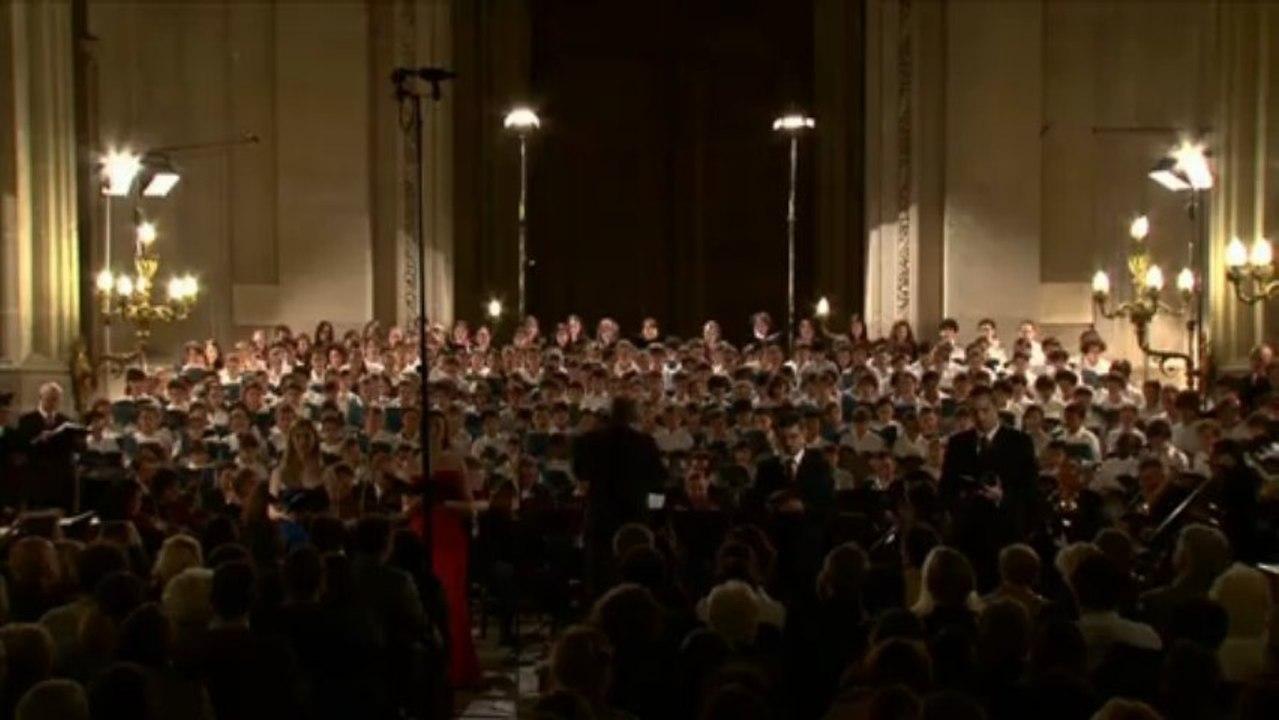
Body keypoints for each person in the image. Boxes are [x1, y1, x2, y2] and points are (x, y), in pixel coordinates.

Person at [940, 386, 1041, 589]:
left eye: (985, 410)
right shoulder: (958, 443)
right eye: (975, 412)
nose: (980, 417)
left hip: (1005, 531)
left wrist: (1002, 497)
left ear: (997, 407)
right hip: (968, 533)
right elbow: (946, 486)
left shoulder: (1019, 442)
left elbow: (1030, 488)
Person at [413, 410, 481, 689]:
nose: (434, 431)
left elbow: (470, 504)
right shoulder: (415, 461)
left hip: (449, 531)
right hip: (421, 529)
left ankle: (459, 667)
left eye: (438, 426)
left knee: (451, 596)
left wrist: (450, 507)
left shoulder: (456, 460)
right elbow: (410, 501)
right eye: (429, 426)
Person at [573, 396, 666, 598]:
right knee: (636, 572)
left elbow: (580, 475)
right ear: (634, 415)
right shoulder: (646, 443)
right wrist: (655, 514)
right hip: (636, 516)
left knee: (600, 575)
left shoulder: (589, 441)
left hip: (600, 516)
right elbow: (658, 484)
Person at [14, 383, 78, 511]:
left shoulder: (65, 421)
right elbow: (21, 448)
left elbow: (73, 447)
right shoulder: (27, 420)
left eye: (55, 399)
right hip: (37, 477)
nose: (52, 403)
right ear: (40, 398)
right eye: (49, 399)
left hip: (60, 477)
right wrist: (39, 439)